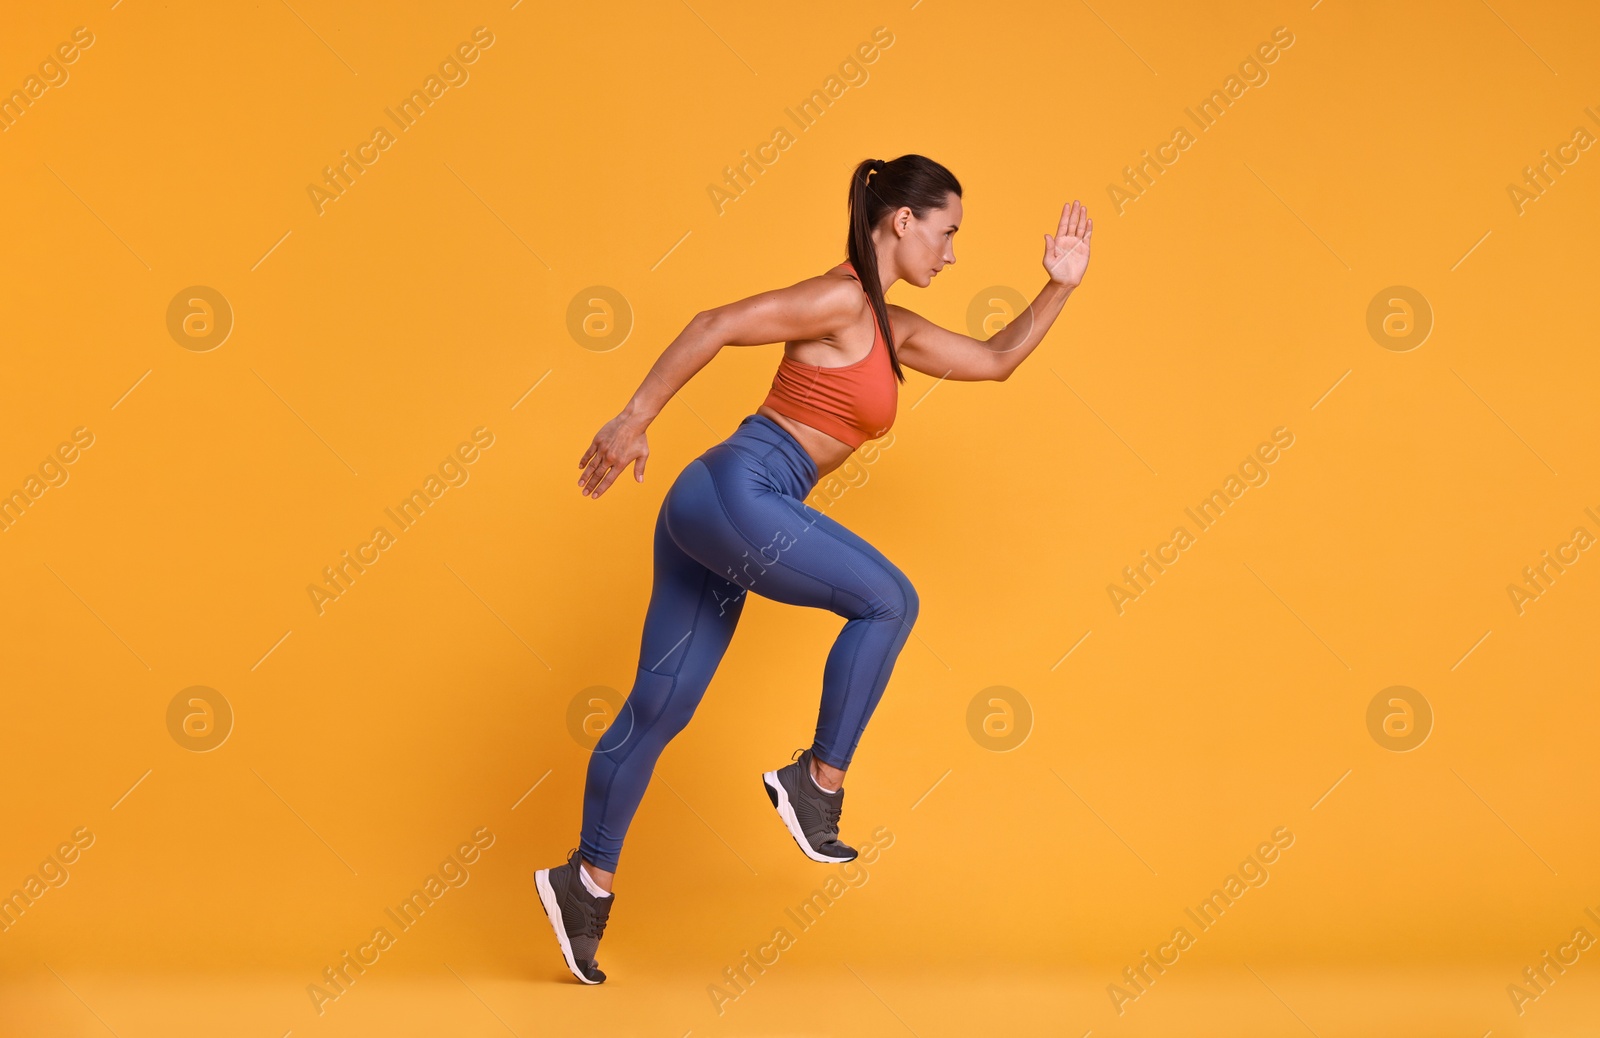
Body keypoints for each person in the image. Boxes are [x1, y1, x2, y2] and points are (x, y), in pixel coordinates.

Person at [535, 154, 1093, 984]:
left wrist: (1060, 287)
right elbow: (712, 322)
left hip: (719, 509)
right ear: (902, 222)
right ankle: (814, 782)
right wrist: (632, 420)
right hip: (739, 489)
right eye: (947, 233)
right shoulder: (840, 299)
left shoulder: (892, 329)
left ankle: (582, 882)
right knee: (889, 601)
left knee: (661, 709)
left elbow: (996, 359)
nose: (951, 254)